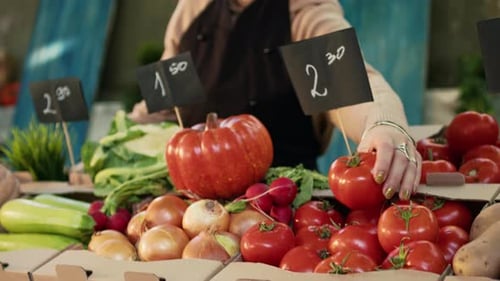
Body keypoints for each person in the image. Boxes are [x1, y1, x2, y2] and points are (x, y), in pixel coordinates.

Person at [128, 0, 422, 201]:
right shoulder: (194, 7)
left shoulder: (303, 10)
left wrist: (384, 123)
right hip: (192, 216)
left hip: (283, 210)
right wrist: (113, 147)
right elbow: (162, 104)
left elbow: (360, 89)